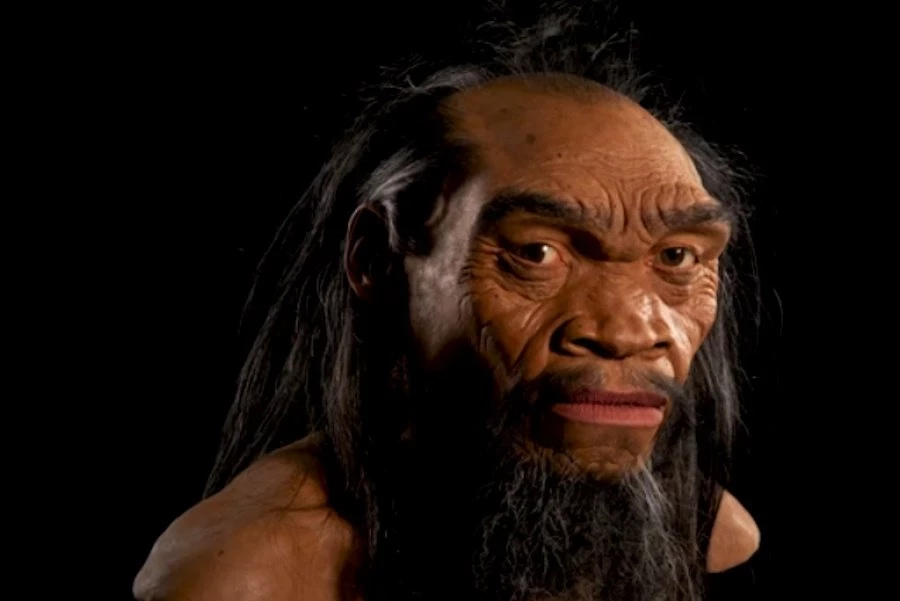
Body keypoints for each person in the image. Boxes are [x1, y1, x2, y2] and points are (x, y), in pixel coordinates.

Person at [134, 9, 760, 601]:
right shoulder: (248, 575)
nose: (628, 331)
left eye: (677, 257)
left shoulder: (706, 532)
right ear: (377, 261)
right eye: (536, 252)